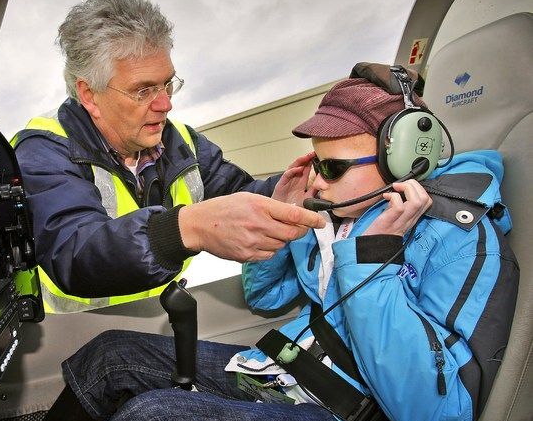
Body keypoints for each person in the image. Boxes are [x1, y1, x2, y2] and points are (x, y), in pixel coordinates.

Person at [58, 68, 519, 421]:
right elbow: (265, 297)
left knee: (154, 414)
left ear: (402, 163)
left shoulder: (459, 242)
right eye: (314, 161)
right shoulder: (336, 215)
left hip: (350, 407)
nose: (315, 179)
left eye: (332, 168)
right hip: (282, 367)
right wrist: (281, 222)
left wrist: (369, 262)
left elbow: (435, 413)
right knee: (107, 356)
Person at [11, 0, 324, 313]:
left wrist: (287, 191)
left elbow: (236, 195)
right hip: (65, 342)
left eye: (167, 84)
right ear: (89, 95)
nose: (165, 104)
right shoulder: (42, 151)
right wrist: (187, 228)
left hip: (160, 318)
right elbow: (74, 251)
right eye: (143, 90)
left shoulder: (181, 140)